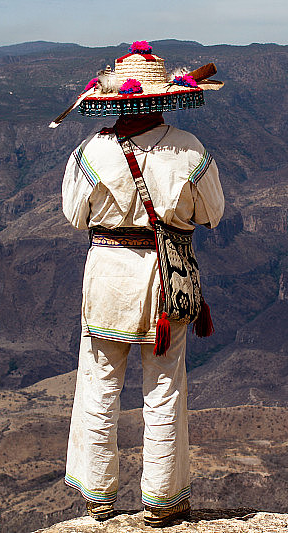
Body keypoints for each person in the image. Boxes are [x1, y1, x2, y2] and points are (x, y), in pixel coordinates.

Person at [53, 41, 225, 527]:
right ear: (162, 98)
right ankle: (162, 500)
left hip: (107, 276)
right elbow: (213, 214)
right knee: (166, 388)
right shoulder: (190, 150)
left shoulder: (91, 151)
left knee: (98, 385)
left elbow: (73, 215)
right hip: (165, 281)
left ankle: (98, 496)